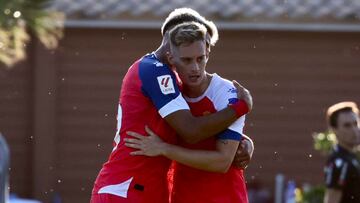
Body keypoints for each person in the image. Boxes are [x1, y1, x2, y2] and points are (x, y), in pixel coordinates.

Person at [90, 8, 253, 203]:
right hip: (127, 186)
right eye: (191, 45)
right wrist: (241, 107)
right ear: (173, 41)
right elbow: (191, 130)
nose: (198, 61)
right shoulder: (155, 71)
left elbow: (194, 125)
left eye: (204, 50)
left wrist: (241, 139)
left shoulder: (179, 80)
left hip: (147, 189)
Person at [323, 101, 360, 203]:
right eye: (347, 125)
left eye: (356, 123)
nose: (354, 130)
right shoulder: (339, 162)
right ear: (334, 130)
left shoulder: (352, 157)